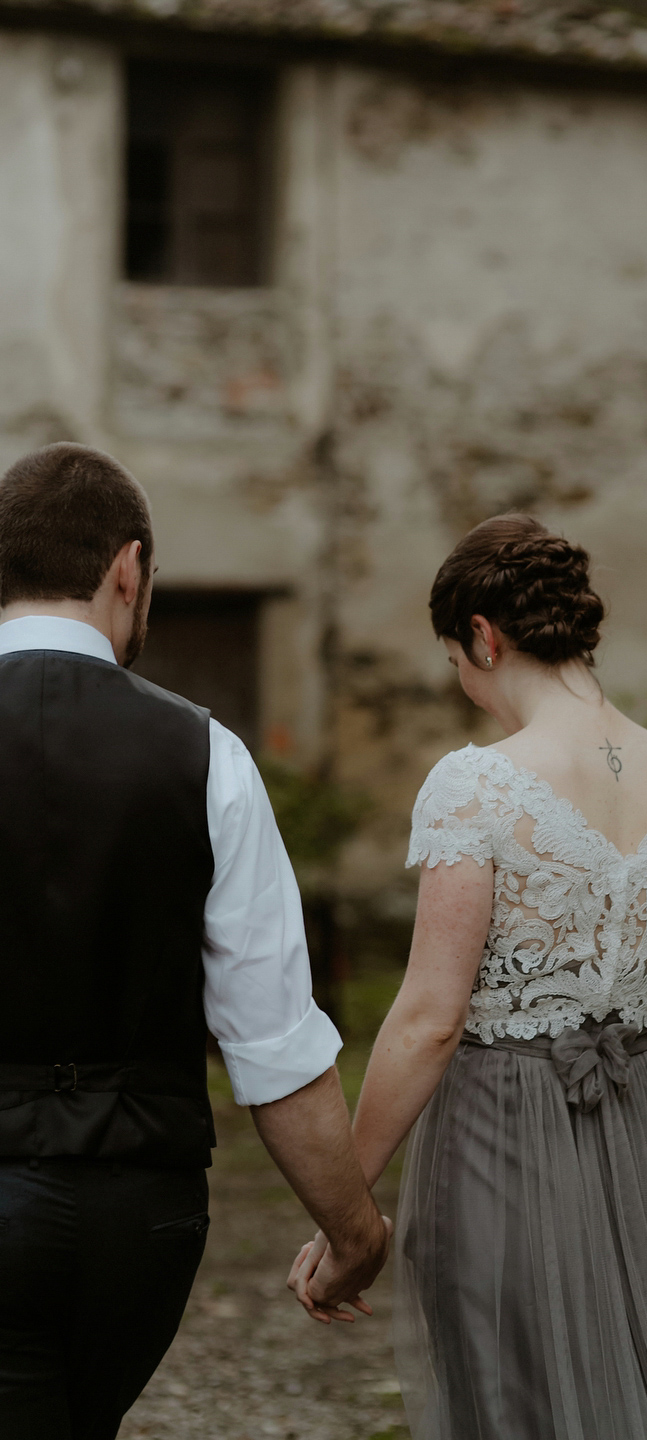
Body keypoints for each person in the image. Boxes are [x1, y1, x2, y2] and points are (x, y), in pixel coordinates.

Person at [290, 513, 647, 1439]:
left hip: (497, 1131)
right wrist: (617, 1112)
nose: (463, 685)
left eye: (456, 661)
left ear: (483, 637)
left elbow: (428, 1020)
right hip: (641, 1122)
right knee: (626, 1391)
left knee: (509, 1401)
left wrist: (350, 1211)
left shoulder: (478, 784)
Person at [0, 443, 391, 1440]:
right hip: (140, 1217)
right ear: (128, 570)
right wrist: (353, 1231)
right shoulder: (206, 754)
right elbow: (273, 1043)